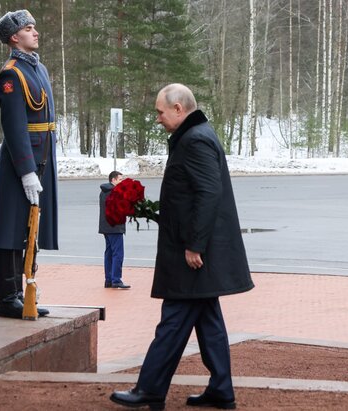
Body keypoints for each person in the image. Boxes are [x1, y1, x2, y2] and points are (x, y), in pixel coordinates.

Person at [110, 84, 254, 410]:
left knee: (174, 319)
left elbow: (207, 194)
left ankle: (149, 389)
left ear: (178, 109)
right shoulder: (194, 136)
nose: (157, 118)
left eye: (161, 112)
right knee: (208, 321)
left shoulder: (196, 139)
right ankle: (221, 390)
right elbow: (191, 195)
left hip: (193, 254)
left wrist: (194, 245)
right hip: (195, 249)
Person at [0, 10, 57, 319]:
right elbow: (16, 127)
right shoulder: (11, 74)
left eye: (34, 26)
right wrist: (27, 171)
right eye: (29, 28)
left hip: (40, 158)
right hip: (21, 162)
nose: (35, 32)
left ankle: (25, 289)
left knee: (30, 227)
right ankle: (7, 297)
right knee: (10, 229)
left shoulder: (38, 68)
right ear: (14, 38)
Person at [98, 171, 130, 289]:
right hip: (115, 227)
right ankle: (116, 279)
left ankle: (109, 279)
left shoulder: (103, 192)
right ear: (113, 180)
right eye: (120, 179)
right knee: (118, 254)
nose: (122, 182)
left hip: (106, 227)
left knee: (109, 253)